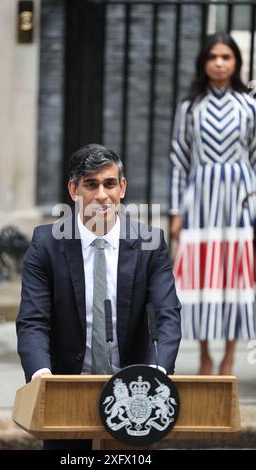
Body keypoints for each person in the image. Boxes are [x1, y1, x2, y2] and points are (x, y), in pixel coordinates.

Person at [17, 143, 181, 450]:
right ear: (73, 190)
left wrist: (156, 372)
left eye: (109, 184)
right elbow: (33, 322)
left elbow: (166, 315)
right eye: (90, 185)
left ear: (122, 188)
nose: (101, 195)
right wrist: (42, 377)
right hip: (65, 394)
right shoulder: (45, 244)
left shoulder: (151, 243)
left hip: (134, 393)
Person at [169, 33, 256, 376]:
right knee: (201, 275)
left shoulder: (249, 106)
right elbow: (179, 160)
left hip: (239, 199)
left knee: (236, 275)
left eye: (226, 56)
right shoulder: (189, 107)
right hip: (200, 198)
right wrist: (176, 211)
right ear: (203, 63)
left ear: (236, 62)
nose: (219, 63)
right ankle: (204, 354)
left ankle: (229, 357)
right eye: (213, 57)